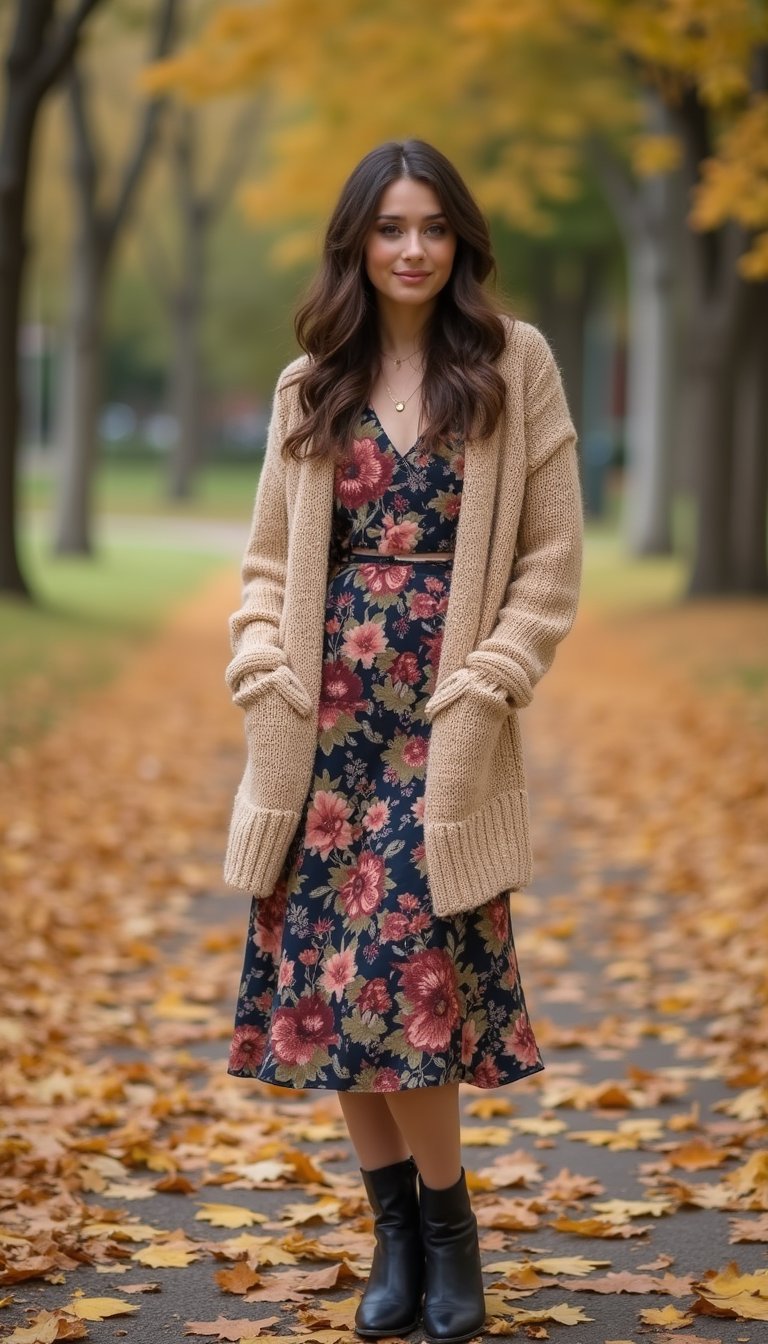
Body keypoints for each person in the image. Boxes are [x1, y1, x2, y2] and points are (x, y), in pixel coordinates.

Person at [222, 138, 584, 1344]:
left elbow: (550, 560)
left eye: (432, 226)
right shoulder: (308, 380)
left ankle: (449, 1227)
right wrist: (260, 657)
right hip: (318, 738)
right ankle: (392, 1235)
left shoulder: (513, 363)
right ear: (357, 245)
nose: (413, 248)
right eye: (390, 229)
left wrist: (492, 679)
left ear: (461, 238)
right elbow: (269, 563)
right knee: (335, 1001)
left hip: (441, 731)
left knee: (416, 992)